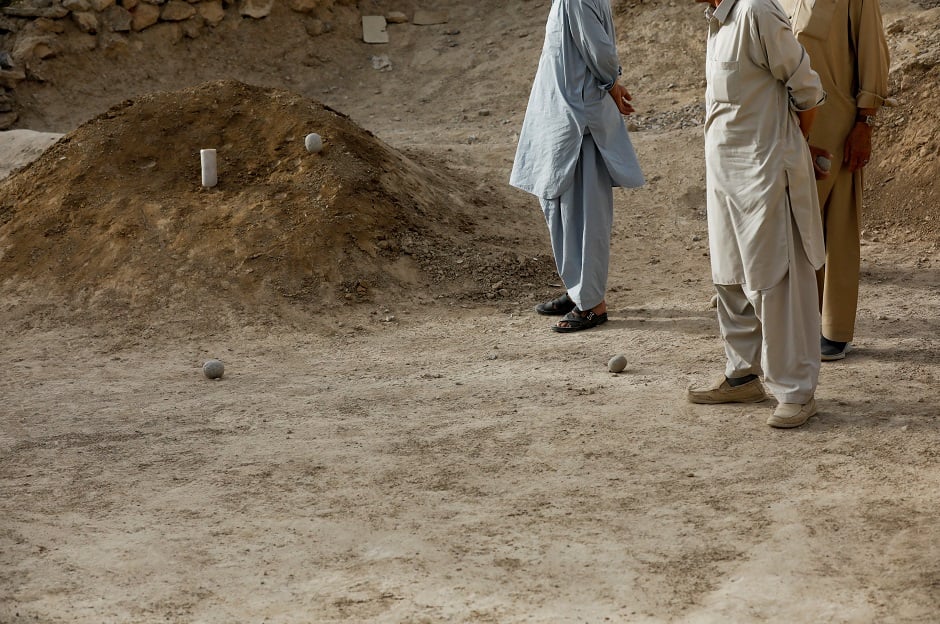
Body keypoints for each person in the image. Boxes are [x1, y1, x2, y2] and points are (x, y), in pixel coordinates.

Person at [686, 0, 828, 428]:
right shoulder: (717, 20)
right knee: (728, 276)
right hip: (724, 175)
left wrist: (790, 146)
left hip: (765, 173)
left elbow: (806, 89)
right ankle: (742, 375)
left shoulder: (756, 12)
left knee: (778, 280)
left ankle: (796, 391)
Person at [510, 0, 645, 333]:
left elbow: (598, 50)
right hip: (563, 119)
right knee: (562, 208)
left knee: (584, 214)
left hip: (579, 122)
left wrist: (612, 84)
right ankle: (578, 291)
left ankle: (591, 305)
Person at [780, 0, 891, 361]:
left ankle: (836, 328)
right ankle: (799, 317)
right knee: (791, 223)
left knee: (838, 226)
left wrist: (865, 123)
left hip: (837, 123)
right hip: (787, 122)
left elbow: (872, 51)